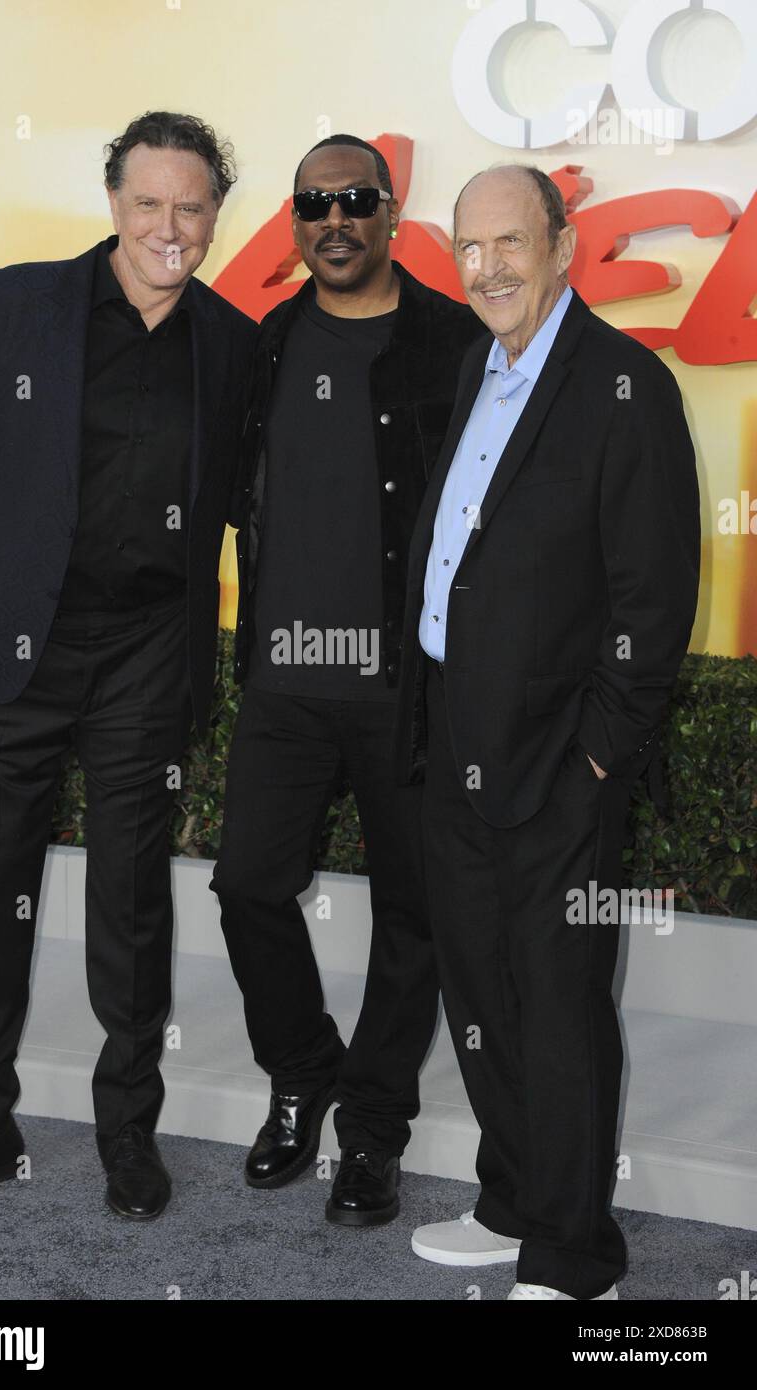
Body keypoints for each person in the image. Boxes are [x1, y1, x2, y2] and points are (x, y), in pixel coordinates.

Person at [0, 111, 255, 1223]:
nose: (168, 225)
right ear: (114, 203)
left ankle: (124, 1132)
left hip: (147, 657)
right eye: (147, 202)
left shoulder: (232, 343)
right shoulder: (16, 302)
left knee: (132, 901)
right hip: (13, 650)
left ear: (212, 217)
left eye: (190, 207)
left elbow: (253, 504)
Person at [395, 164, 700, 1296]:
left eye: (510, 243)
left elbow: (654, 605)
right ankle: (515, 1198)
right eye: (469, 249)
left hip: (556, 763)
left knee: (558, 1003)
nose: (487, 269)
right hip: (454, 740)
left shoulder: (627, 387)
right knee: (478, 989)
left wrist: (595, 760)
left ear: (564, 245)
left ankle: (575, 1251)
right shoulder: (477, 366)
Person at [211, 135, 484, 1226]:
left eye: (355, 200)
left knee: (411, 916)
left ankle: (371, 1133)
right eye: (315, 202)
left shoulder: (452, 343)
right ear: (295, 218)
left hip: (402, 688)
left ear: (389, 213)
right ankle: (301, 1069)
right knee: (245, 886)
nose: (335, 219)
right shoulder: (267, 342)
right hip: (284, 683)